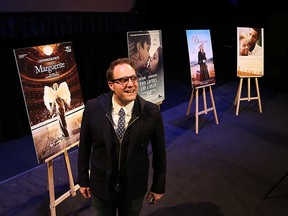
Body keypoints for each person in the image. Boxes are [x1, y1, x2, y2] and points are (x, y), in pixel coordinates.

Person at [78, 58, 166, 216]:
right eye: (123, 80)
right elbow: (84, 147)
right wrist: (83, 179)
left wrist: (158, 185)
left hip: (133, 189)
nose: (131, 84)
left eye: (133, 78)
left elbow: (160, 153)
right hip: (101, 187)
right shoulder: (93, 108)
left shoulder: (151, 112)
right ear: (111, 85)